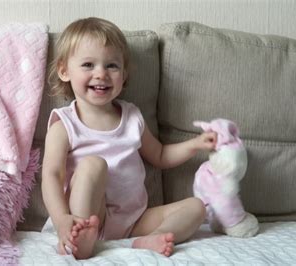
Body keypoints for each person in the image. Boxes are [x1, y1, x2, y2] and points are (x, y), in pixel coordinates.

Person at [41, 17, 217, 260]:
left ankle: (155, 237)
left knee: (197, 207)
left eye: (111, 66)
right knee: (94, 164)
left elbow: (161, 155)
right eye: (89, 65)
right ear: (64, 71)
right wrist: (62, 220)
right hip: (86, 215)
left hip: (133, 221)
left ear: (124, 74)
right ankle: (80, 239)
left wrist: (196, 144)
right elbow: (51, 176)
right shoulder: (64, 125)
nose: (101, 74)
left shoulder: (132, 117)